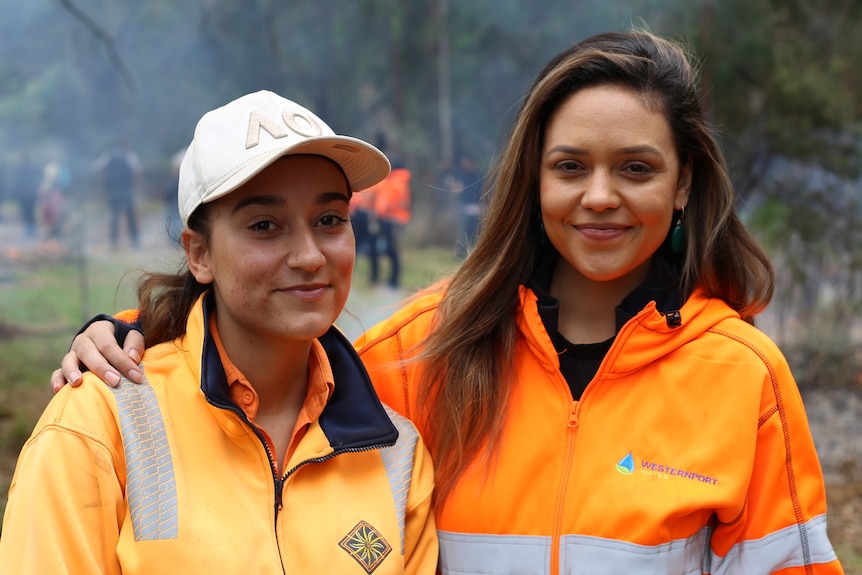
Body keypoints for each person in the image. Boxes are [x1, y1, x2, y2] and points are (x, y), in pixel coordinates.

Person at [51, 31, 843, 574]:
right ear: (533, 181)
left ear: (682, 188)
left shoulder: (743, 376)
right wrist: (126, 332)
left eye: (635, 168)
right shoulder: (430, 343)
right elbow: (283, 357)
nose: (600, 196)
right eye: (570, 166)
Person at [1, 90, 438, 574]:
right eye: (266, 225)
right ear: (199, 254)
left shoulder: (395, 453)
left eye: (330, 219)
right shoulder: (98, 425)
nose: (311, 256)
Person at [368, 161, 411, 288]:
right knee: (392, 251)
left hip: (390, 221)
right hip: (396, 221)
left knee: (391, 251)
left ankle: (392, 281)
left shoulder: (394, 184)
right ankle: (392, 280)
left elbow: (385, 204)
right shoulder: (401, 183)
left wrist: (376, 214)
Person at [94, 140, 142, 249]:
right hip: (126, 189)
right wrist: (134, 186)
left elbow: (97, 170)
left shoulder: (107, 156)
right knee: (130, 216)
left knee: (114, 216)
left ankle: (113, 242)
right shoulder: (129, 155)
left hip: (113, 190)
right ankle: (135, 242)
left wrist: (103, 186)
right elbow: (137, 171)